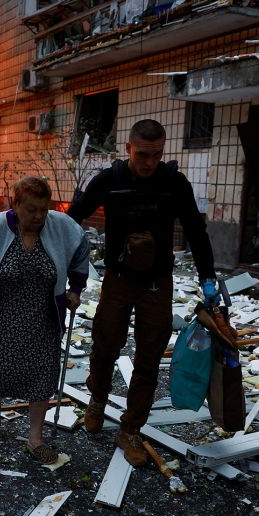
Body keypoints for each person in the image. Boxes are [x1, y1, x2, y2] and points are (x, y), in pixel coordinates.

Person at [67, 119, 218, 467]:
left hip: (156, 283)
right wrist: (54, 257)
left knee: (149, 358)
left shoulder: (174, 183)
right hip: (118, 278)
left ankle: (131, 429)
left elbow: (196, 231)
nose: (150, 162)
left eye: (157, 154)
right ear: (129, 149)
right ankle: (97, 400)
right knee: (105, 345)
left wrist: (208, 277)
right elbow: (73, 218)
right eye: (143, 154)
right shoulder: (109, 181)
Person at [0, 176, 89, 464]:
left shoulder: (60, 226)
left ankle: (35, 439)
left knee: (41, 376)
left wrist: (76, 289)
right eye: (31, 209)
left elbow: (81, 248)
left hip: (44, 317)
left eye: (44, 209)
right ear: (15, 204)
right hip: (1, 314)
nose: (39, 216)